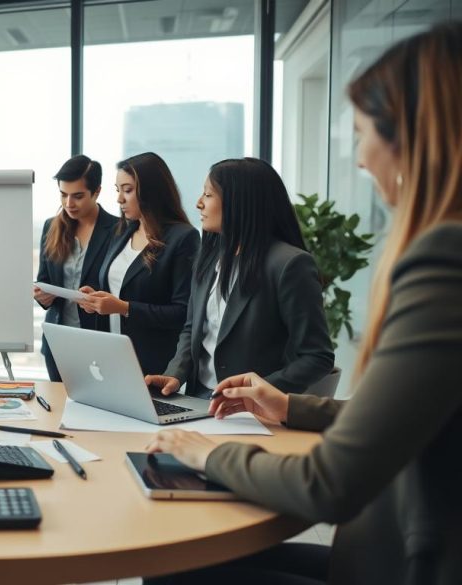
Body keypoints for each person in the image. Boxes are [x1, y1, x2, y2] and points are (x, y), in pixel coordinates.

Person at [145, 21, 462, 584]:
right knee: (182, 557)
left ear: (412, 138)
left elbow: (330, 483)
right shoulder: (211, 257)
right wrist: (289, 405)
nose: (361, 159)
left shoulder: (444, 258)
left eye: (364, 133)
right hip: (386, 548)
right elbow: (401, 417)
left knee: (171, 568)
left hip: (404, 564)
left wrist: (202, 454)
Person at [146, 158, 334, 399]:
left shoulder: (289, 264)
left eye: (208, 195)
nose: (198, 203)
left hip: (255, 413)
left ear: (239, 202)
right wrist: (175, 373)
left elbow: (317, 357)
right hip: (199, 398)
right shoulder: (208, 256)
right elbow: (192, 328)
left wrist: (255, 393)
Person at [76, 152, 200, 376]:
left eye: (128, 190)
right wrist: (97, 299)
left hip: (152, 365)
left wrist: (124, 308)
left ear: (151, 190)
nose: (119, 199)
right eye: (118, 190)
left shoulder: (183, 238)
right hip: (110, 357)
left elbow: (183, 313)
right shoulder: (123, 230)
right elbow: (119, 289)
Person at [34, 154, 119, 381]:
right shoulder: (51, 227)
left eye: (78, 196)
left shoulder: (119, 230)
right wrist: (42, 296)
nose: (69, 204)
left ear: (97, 192)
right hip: (58, 342)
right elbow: (44, 278)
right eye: (63, 195)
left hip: (99, 341)